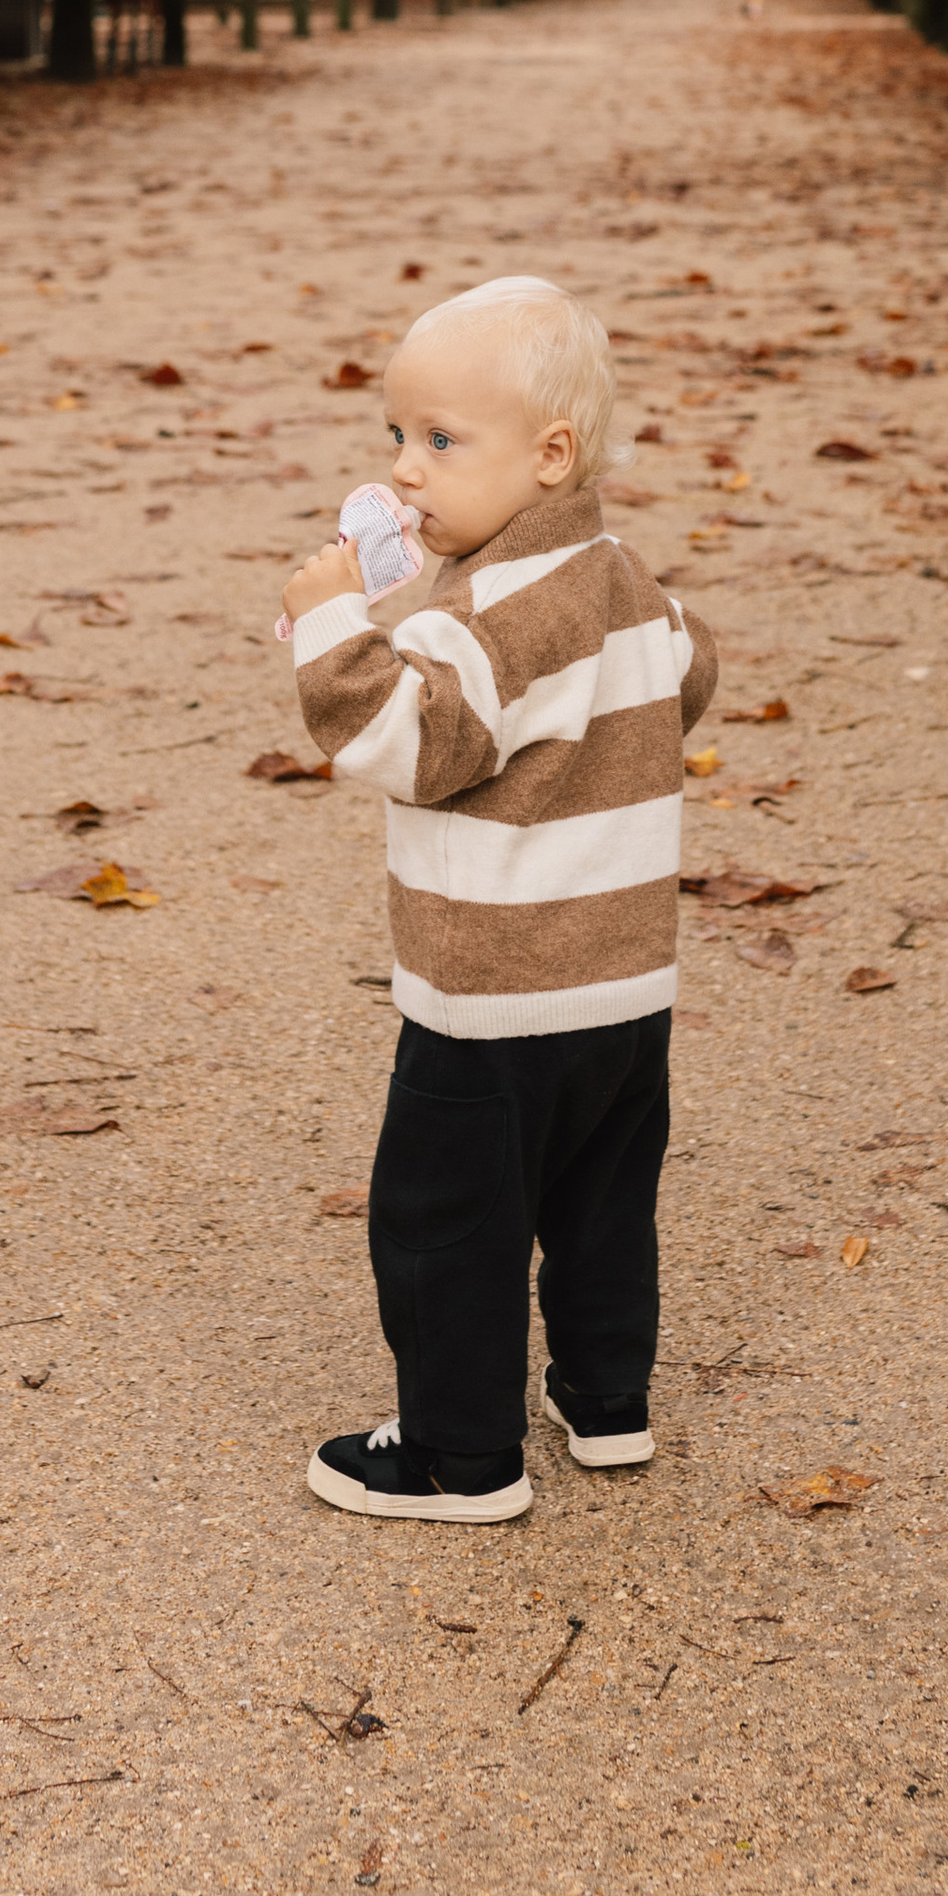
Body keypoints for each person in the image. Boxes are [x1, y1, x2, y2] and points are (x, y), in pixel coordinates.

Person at [277, 275, 717, 1522]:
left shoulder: (482, 620)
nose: (405, 473)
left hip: (492, 1003)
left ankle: (458, 1457)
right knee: (599, 1206)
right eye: (396, 439)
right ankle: (606, 1399)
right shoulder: (629, 583)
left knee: (447, 1225)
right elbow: (692, 669)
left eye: (440, 440)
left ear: (550, 455)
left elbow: (404, 738)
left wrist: (330, 625)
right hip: (624, 991)